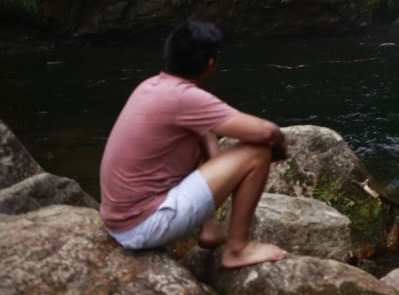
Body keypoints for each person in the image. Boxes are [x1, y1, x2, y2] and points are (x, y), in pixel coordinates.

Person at [99, 19, 289, 268]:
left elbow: (209, 126)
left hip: (119, 219)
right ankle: (237, 250)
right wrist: (279, 145)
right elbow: (267, 131)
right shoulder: (184, 98)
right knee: (258, 152)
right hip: (143, 226)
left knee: (204, 129)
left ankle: (210, 227)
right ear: (211, 65)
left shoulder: (150, 86)